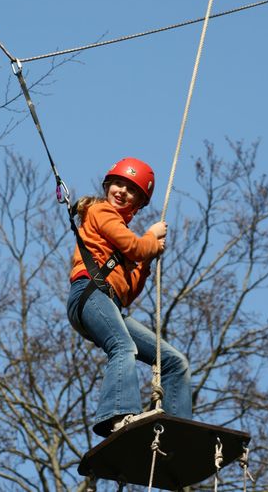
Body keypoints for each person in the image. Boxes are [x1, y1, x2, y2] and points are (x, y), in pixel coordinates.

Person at [67, 157, 192, 437]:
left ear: (137, 203)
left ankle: (178, 431)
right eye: (118, 184)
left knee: (174, 361)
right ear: (108, 186)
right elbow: (135, 247)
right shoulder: (100, 211)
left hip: (106, 302)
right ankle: (117, 415)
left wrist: (146, 264)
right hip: (89, 294)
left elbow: (127, 292)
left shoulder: (118, 236)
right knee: (123, 347)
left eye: (130, 189)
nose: (121, 191)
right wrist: (150, 239)